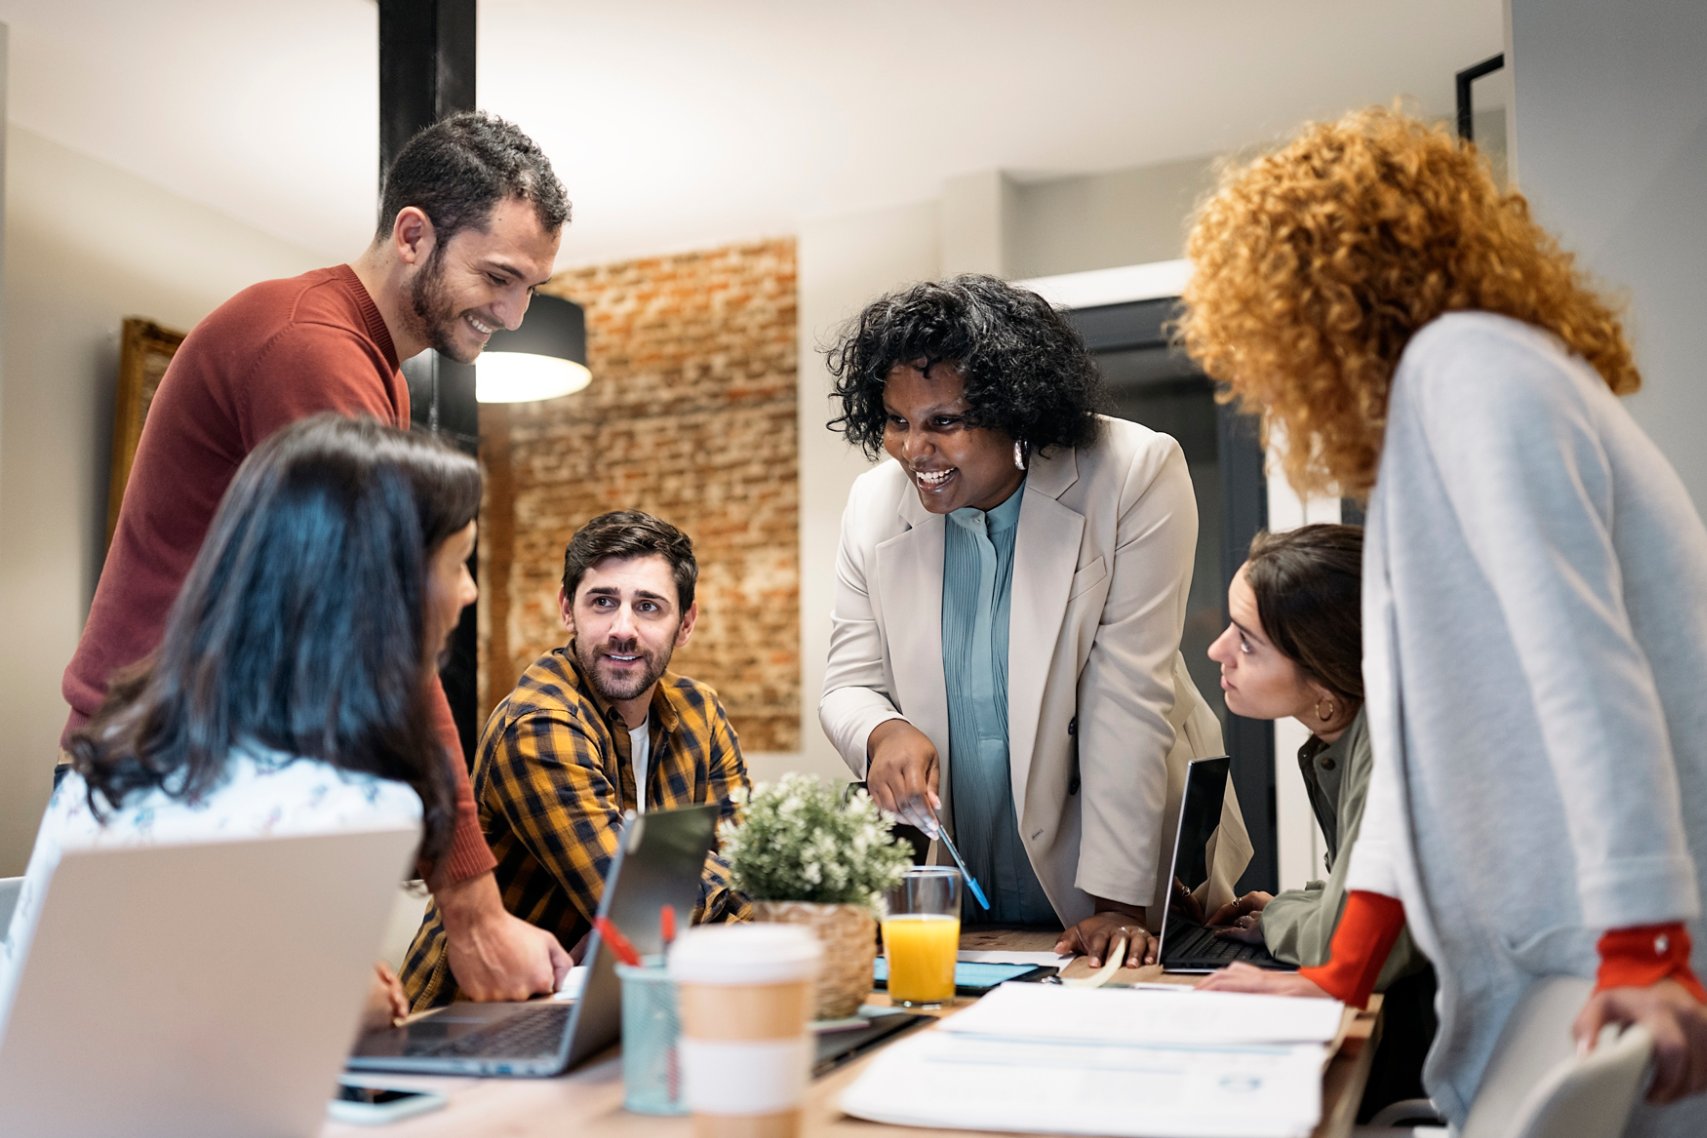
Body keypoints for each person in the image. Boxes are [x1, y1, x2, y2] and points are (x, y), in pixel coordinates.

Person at [1181, 107, 1707, 1130]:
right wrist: (1339, 971)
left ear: (1313, 298)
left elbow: (1586, 662)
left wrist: (1647, 941)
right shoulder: (1438, 421)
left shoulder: (1470, 368)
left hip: (1630, 945)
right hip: (1577, 950)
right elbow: (1415, 761)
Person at [56, 111, 573, 1002]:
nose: (514, 313)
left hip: (221, 777)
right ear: (413, 234)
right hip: (162, 781)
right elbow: (383, 627)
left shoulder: (365, 365)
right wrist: (473, 911)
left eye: (531, 287)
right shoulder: (311, 349)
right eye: (498, 276)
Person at [819, 274, 1245, 969]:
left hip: (1112, 854)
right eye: (896, 421)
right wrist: (880, 730)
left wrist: (1117, 900)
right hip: (963, 868)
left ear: (1015, 407)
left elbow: (1127, 695)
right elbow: (847, 681)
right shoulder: (873, 505)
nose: (910, 449)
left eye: (943, 423)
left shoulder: (1131, 472)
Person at [2, 415, 480, 1031]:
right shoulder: (351, 804)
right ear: (381, 588)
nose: (467, 591)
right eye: (458, 563)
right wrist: (337, 1003)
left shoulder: (113, 764)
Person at [400, 510, 751, 1009]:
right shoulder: (540, 724)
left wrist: (682, 906)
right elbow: (644, 913)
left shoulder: (701, 713)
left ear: (686, 623)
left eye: (648, 607)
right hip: (471, 1025)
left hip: (606, 1010)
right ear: (568, 610)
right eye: (602, 602)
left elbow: (750, 863)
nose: (622, 629)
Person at [1201, 524, 1435, 1117]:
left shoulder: (1385, 747)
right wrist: (1284, 909)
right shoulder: (1353, 735)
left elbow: (1344, 939)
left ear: (1326, 683)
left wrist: (1279, 914)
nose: (1217, 651)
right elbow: (1349, 892)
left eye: (1247, 642)